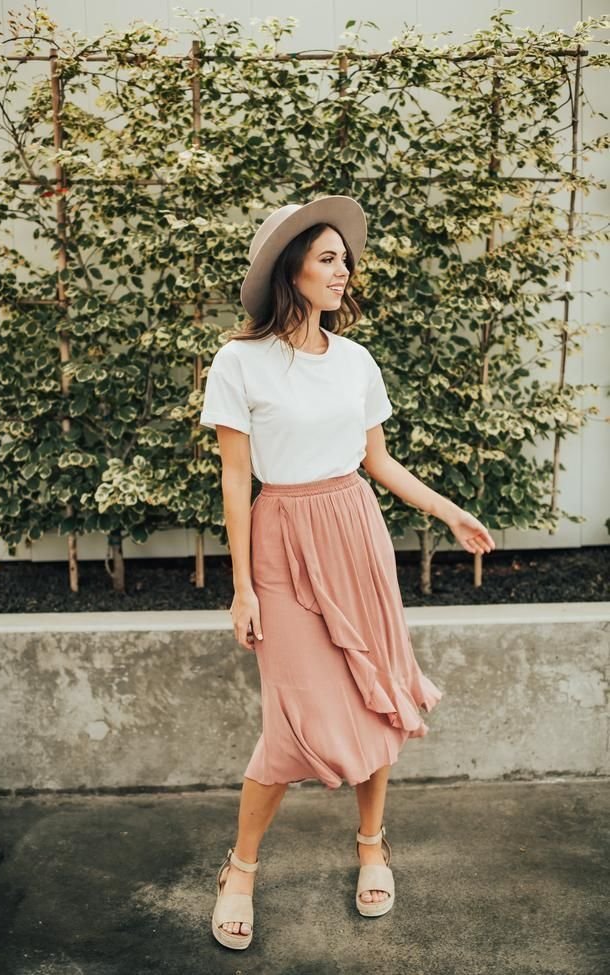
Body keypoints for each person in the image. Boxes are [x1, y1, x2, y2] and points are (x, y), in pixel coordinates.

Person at [199, 195, 495, 950]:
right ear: (290, 270)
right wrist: (241, 588)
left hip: (355, 531)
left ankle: (371, 845)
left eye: (344, 258)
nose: (344, 270)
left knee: (375, 696)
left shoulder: (357, 360)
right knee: (289, 719)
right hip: (282, 538)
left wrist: (448, 511)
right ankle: (240, 868)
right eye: (328, 257)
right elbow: (237, 480)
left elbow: (379, 461)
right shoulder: (240, 361)